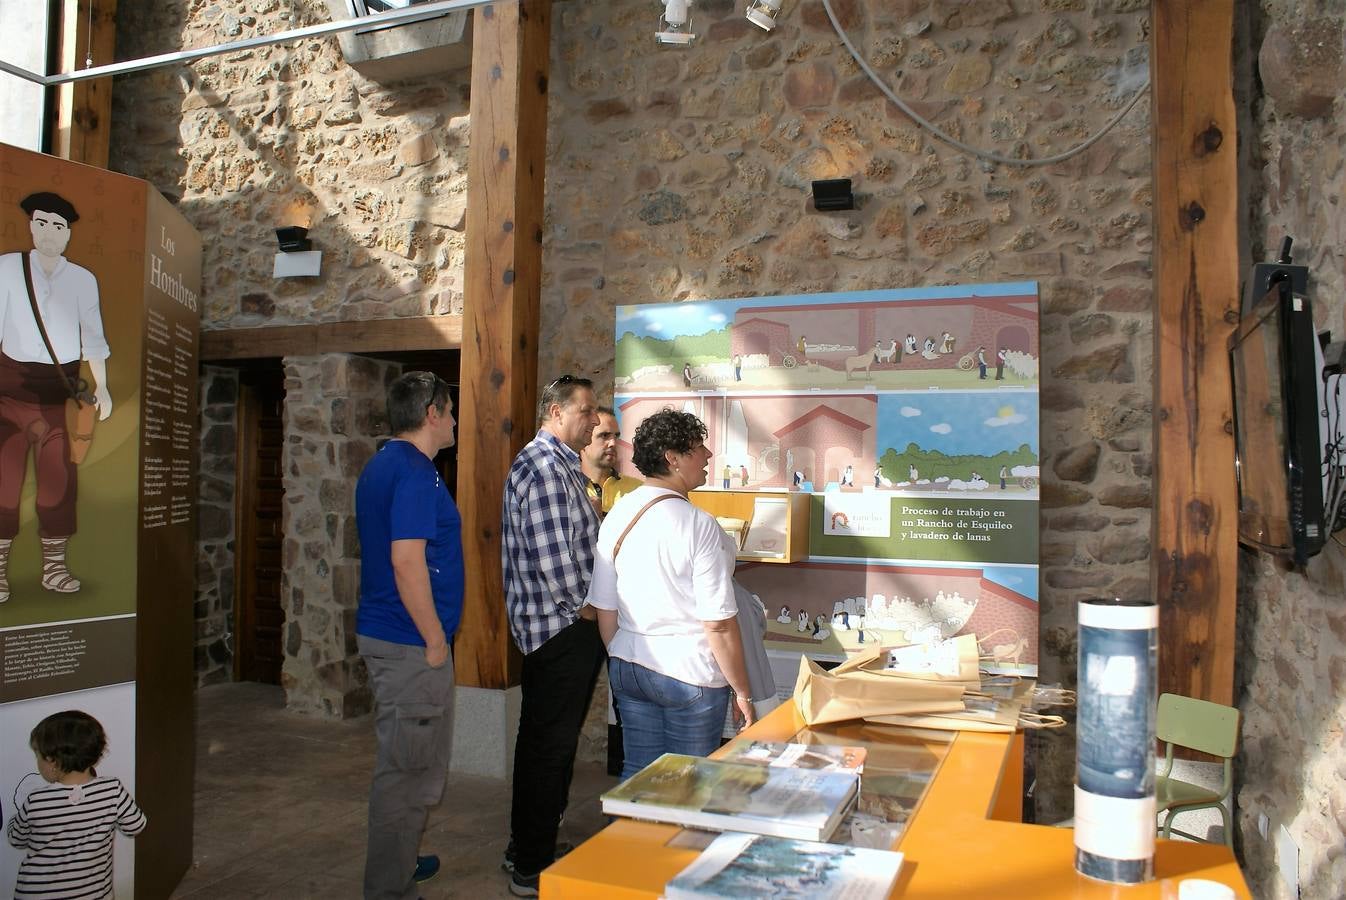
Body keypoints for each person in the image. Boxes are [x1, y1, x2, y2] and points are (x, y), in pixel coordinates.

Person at [588, 409, 757, 779]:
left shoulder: (618, 514)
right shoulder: (699, 525)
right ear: (673, 458)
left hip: (630, 664)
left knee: (639, 780)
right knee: (690, 783)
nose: (708, 456)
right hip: (688, 672)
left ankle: (632, 839)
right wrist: (742, 691)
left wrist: (624, 652)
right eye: (699, 447)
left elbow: (604, 607)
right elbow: (718, 624)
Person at [354, 371, 463, 900]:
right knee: (407, 771)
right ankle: (389, 888)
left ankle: (401, 858)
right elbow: (406, 561)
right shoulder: (416, 471)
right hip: (410, 644)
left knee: (411, 762)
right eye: (449, 409)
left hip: (393, 638)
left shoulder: (383, 464)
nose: (455, 419)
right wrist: (436, 639)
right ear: (431, 414)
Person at [501, 375, 605, 897]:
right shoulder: (544, 467)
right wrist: (587, 611)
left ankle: (528, 844)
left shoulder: (563, 465)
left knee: (547, 745)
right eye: (586, 411)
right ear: (556, 412)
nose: (592, 420)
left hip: (559, 627)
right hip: (559, 629)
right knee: (547, 748)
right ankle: (531, 866)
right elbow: (553, 562)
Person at [0, 192, 113, 603]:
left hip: (58, 392)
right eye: (43, 223)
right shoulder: (8, 269)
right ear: (31, 225)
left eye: (59, 226)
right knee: (3, 478)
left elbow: (94, 339)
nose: (50, 232)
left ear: (68, 235)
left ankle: (54, 567)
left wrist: (101, 386)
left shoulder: (82, 279)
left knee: (59, 481)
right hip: (8, 386)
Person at [7, 710, 146, 899]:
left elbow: (16, 839)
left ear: (52, 762)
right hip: (93, 895)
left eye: (38, 756)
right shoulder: (112, 790)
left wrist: (12, 822)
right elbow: (135, 826)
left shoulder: (37, 800)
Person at [581, 407, 641, 518]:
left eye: (616, 436)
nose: (613, 443)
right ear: (584, 438)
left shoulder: (638, 490)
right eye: (604, 435)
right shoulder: (569, 487)